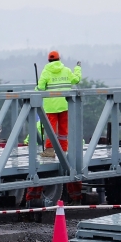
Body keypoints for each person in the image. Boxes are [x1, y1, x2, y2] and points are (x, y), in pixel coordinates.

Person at [35, 50, 83, 204]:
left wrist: (35, 91)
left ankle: (50, 151)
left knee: (50, 130)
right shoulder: (66, 70)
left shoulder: (46, 71)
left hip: (51, 105)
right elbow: (76, 80)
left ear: (49, 60)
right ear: (59, 59)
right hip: (64, 104)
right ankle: (63, 150)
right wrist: (78, 68)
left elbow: (41, 87)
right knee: (63, 131)